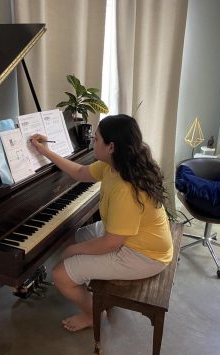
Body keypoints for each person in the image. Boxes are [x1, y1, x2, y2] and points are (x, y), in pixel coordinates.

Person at [30, 114, 173, 332]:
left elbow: (110, 244)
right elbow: (79, 172)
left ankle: (92, 315)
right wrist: (46, 152)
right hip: (129, 238)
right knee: (72, 238)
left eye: (96, 139)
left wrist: (71, 251)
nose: (92, 142)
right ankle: (91, 283)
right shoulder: (114, 165)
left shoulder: (125, 187)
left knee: (60, 274)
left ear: (111, 147)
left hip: (145, 255)